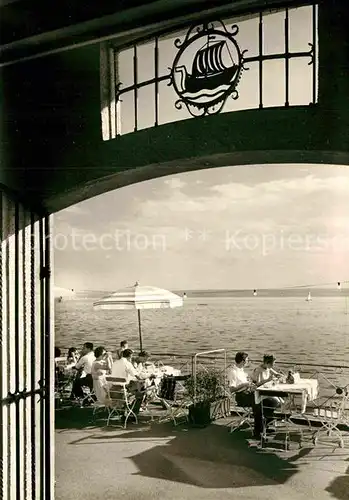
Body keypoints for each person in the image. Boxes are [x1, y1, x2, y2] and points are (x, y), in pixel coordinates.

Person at [227, 351, 263, 439]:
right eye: (247, 360)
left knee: (263, 398)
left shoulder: (241, 370)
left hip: (246, 393)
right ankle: (257, 431)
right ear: (243, 361)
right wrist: (245, 385)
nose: (248, 361)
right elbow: (232, 390)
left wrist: (251, 384)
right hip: (240, 397)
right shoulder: (233, 372)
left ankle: (263, 426)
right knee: (258, 403)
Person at [111, 349, 147, 416]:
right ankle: (133, 412)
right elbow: (137, 375)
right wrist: (143, 380)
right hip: (122, 391)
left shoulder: (115, 363)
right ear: (130, 356)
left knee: (134, 387)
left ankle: (126, 408)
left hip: (112, 391)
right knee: (141, 392)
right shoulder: (127, 364)